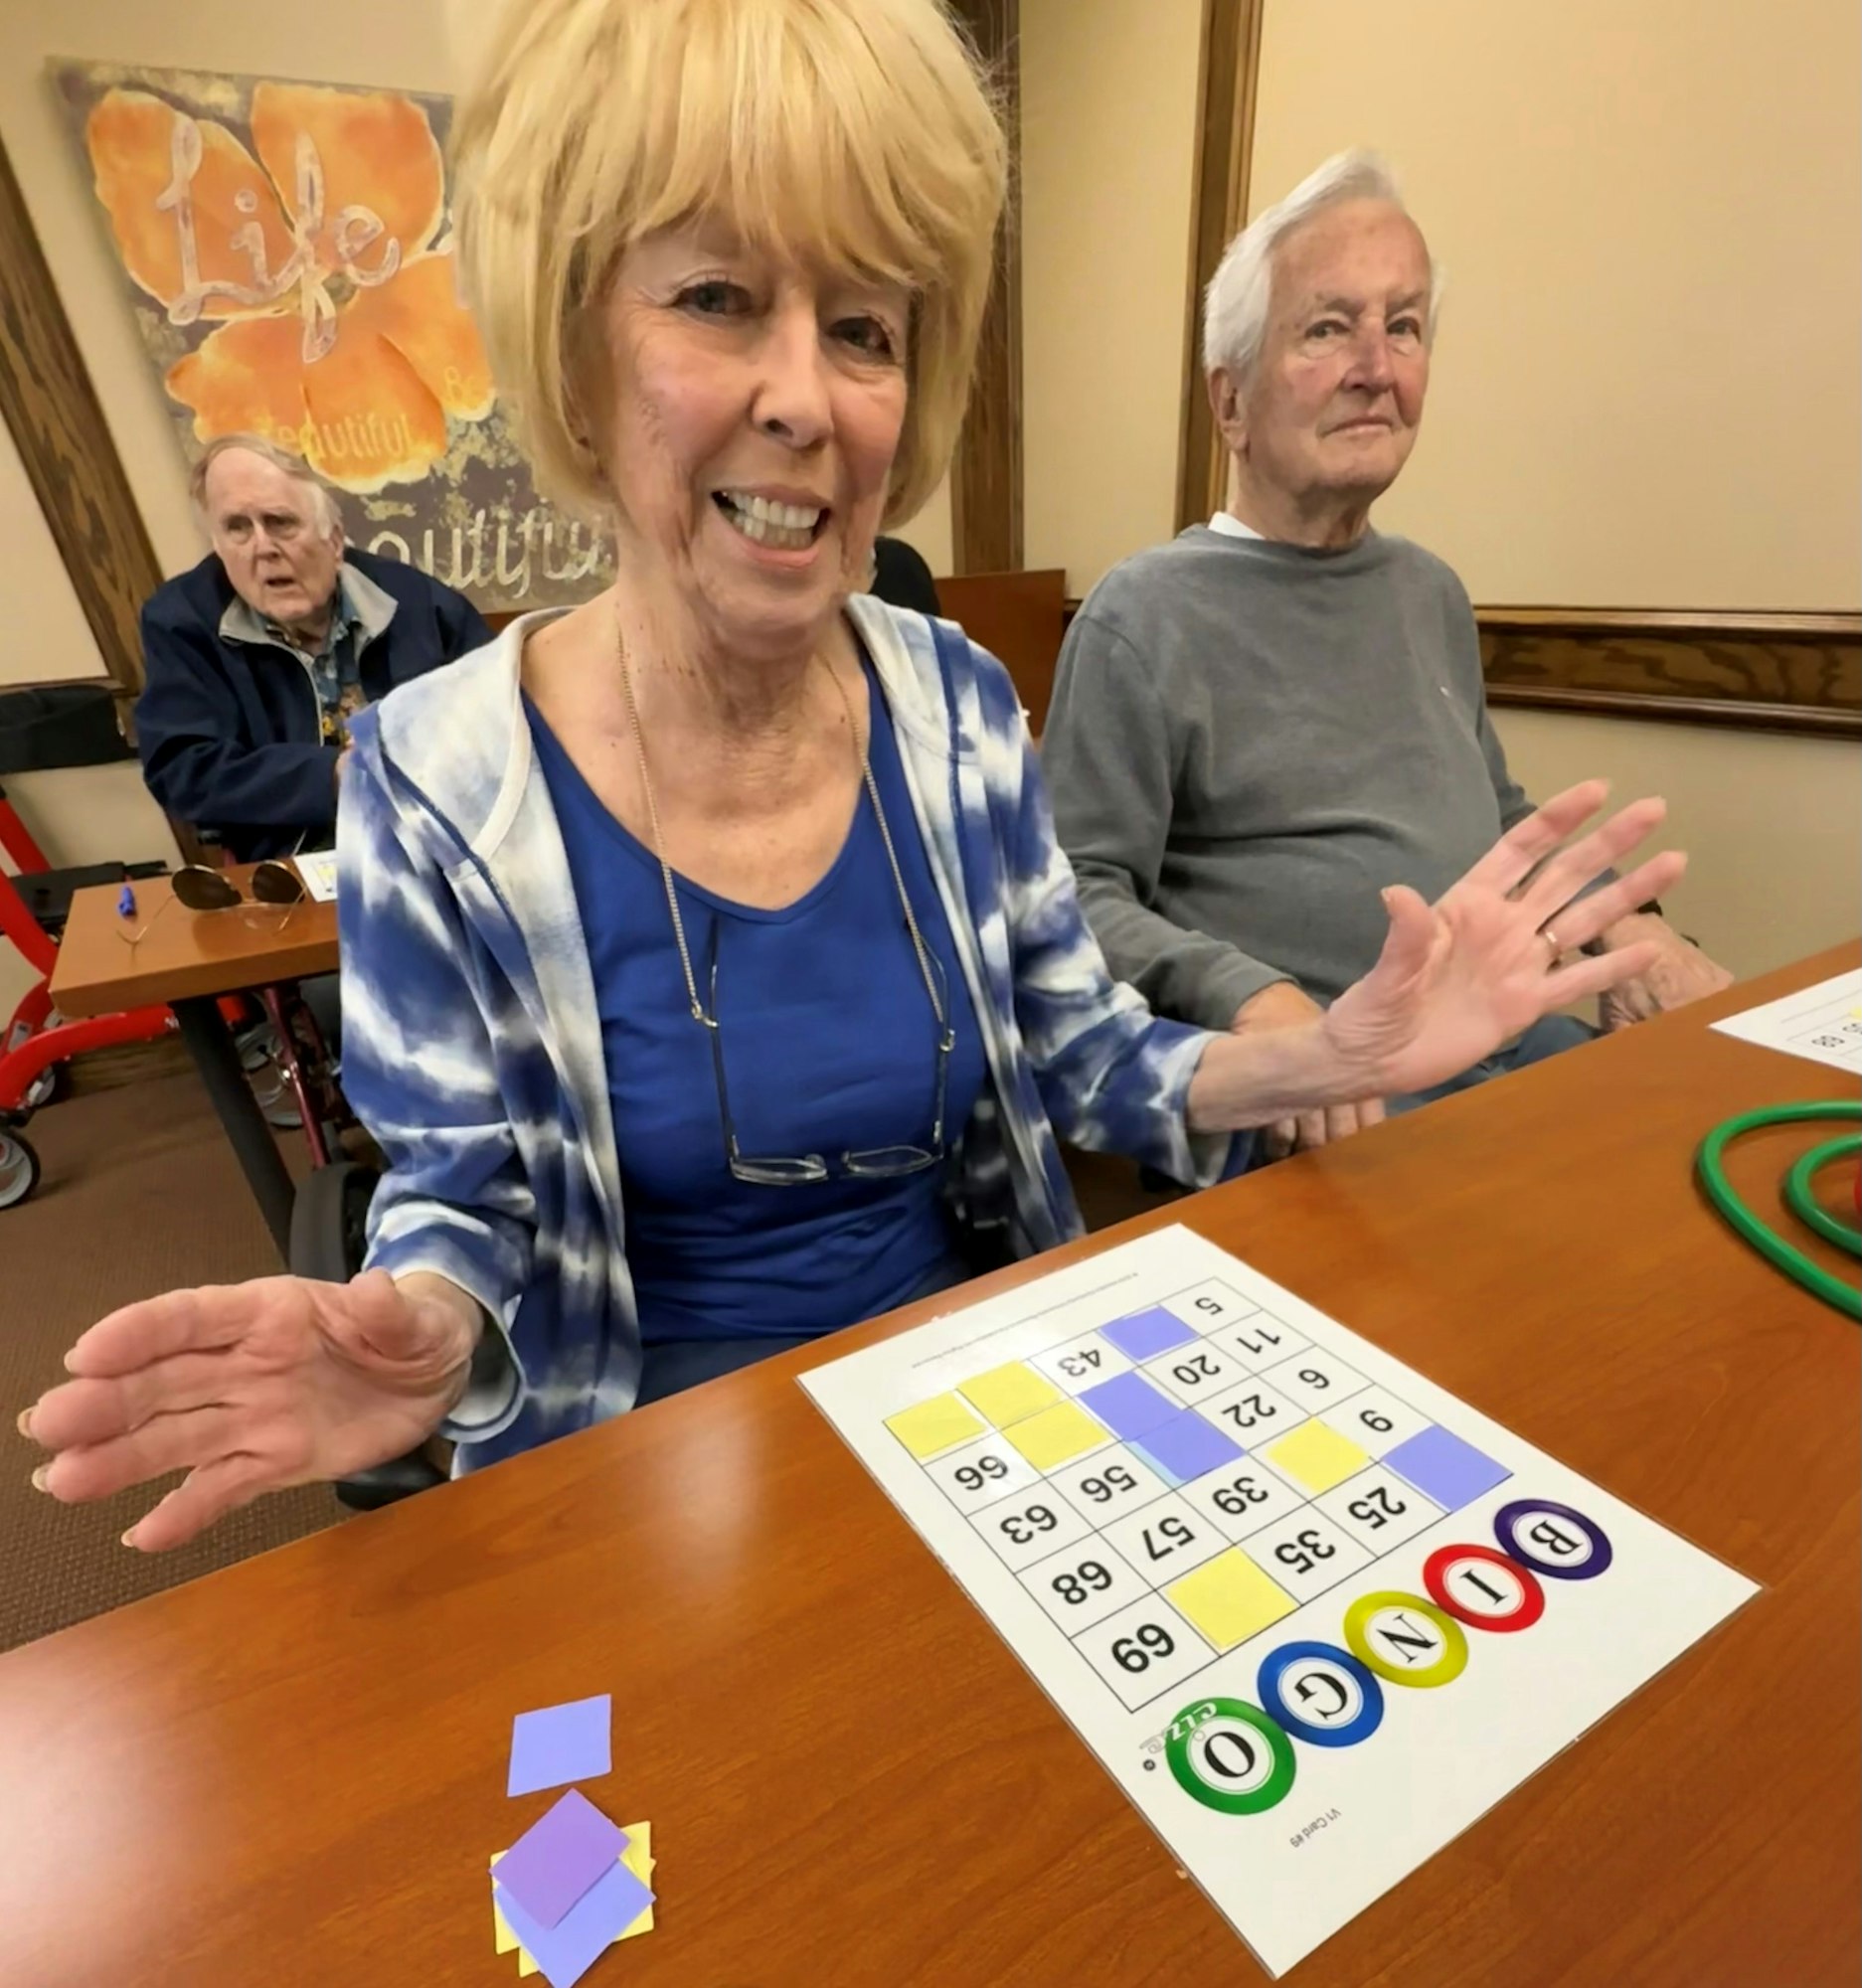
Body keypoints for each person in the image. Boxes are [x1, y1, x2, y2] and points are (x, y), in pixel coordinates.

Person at [22, 1, 1680, 1553]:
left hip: (983, 1395)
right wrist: (424, 1323)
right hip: (634, 1451)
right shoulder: (432, 772)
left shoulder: (955, 702)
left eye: (865, 325)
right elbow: (463, 1194)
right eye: (717, 297)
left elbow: (1083, 1055)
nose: (809, 397)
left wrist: (1314, 1052)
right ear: (579, 349)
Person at [1043, 151, 1732, 1161]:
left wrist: (1628, 930)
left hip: (1502, 1035)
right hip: (1324, 1090)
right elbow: (1074, 896)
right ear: (1228, 401)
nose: (1376, 365)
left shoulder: (1429, 590)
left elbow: (1487, 817)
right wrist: (1260, 1002)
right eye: (1328, 328)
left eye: (1401, 326)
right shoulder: (1140, 613)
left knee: (1713, 1141)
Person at [136, 434, 492, 863]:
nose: (263, 548)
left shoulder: (420, 605)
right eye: (237, 528)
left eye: (280, 522)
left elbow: (500, 721)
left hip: (436, 850)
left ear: (335, 540)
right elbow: (183, 770)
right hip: (290, 868)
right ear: (218, 545)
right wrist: (332, 777)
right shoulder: (182, 621)